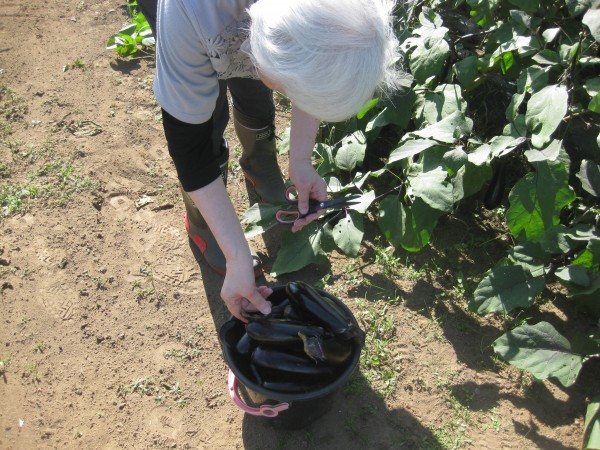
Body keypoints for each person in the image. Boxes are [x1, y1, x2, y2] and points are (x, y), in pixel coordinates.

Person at [136, 0, 400, 321]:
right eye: (290, 89)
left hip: (259, 34)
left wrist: (300, 159)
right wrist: (236, 255)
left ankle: (260, 165)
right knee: (208, 121)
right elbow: (191, 152)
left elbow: (312, 66)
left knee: (256, 98)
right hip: (191, 19)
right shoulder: (188, 13)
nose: (291, 95)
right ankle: (202, 221)